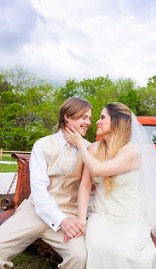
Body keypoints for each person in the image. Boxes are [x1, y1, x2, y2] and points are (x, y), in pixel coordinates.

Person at [63, 102, 156, 268]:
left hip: (131, 218)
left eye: (102, 117)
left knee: (123, 253)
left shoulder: (133, 151)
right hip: (101, 215)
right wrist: (82, 221)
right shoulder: (93, 150)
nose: (96, 121)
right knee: (94, 246)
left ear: (117, 121)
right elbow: (85, 186)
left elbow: (98, 170)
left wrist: (80, 143)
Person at [0, 97, 92, 268]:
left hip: (69, 214)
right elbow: (39, 190)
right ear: (68, 116)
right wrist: (60, 220)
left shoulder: (89, 148)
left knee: (79, 257)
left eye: (90, 118)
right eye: (84, 117)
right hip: (34, 211)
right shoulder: (42, 145)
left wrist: (75, 220)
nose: (88, 122)